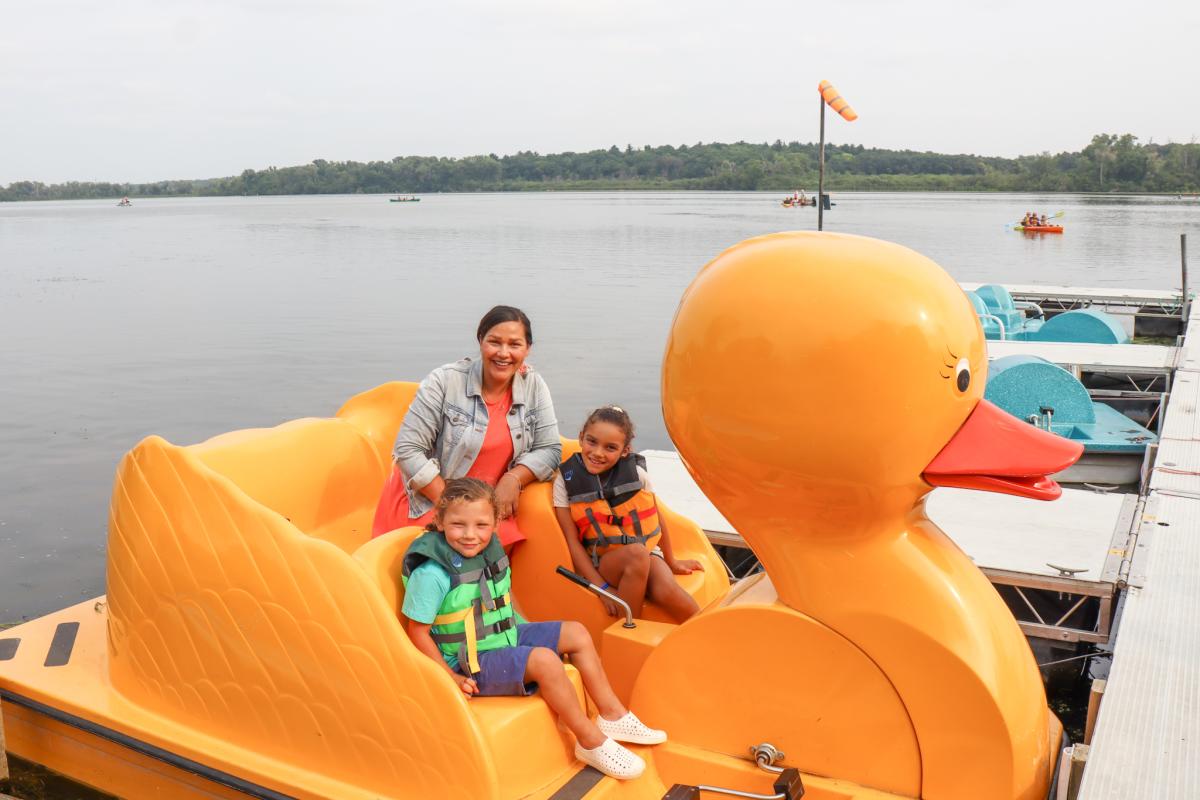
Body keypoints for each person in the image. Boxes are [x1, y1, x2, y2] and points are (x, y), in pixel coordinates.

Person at [402, 478, 665, 779]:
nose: (470, 535)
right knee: (543, 660)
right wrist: (449, 677)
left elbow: (501, 596)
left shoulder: (488, 551)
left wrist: (526, 634)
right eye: (458, 525)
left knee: (576, 632)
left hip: (501, 637)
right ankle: (589, 741)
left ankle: (612, 715)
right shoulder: (432, 573)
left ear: (496, 522)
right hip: (467, 661)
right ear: (439, 521)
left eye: (481, 525)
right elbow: (418, 631)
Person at [372, 305, 561, 545]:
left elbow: (550, 449)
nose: (503, 353)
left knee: (499, 567)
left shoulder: (533, 385)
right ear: (480, 341)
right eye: (494, 342)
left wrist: (513, 478)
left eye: (514, 345)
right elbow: (407, 450)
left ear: (527, 349)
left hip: (489, 507)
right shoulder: (445, 380)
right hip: (431, 500)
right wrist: (453, 508)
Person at [553, 406, 703, 622]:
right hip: (604, 562)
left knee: (666, 590)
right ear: (581, 437)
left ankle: (712, 641)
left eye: (610, 447)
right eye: (591, 441)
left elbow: (656, 516)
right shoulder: (564, 481)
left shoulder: (637, 474)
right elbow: (571, 541)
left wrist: (671, 560)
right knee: (637, 554)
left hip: (645, 553)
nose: (597, 453)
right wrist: (601, 588)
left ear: (625, 451)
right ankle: (630, 631)